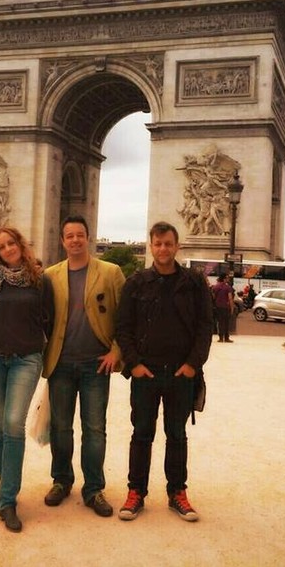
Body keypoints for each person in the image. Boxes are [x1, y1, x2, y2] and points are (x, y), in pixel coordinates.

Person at [115, 222, 213, 523]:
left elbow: (205, 326)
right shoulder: (135, 283)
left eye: (168, 243)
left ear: (177, 246)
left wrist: (193, 364)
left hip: (181, 372)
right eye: (158, 244)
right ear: (151, 246)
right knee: (141, 433)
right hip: (146, 372)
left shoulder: (195, 283)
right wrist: (134, 364)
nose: (163, 249)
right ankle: (136, 491)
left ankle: (177, 492)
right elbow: (123, 327)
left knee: (177, 435)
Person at [43, 214, 125, 518]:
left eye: (80, 235)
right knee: (60, 428)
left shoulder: (111, 272)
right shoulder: (49, 276)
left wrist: (116, 350)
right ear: (62, 241)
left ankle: (93, 488)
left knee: (95, 429)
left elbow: (125, 317)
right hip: (61, 363)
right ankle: (61, 480)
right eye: (70, 236)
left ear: (88, 237)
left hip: (96, 364)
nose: (75, 240)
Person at [0, 226, 54, 533]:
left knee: (12, 423)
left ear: (21, 245)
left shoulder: (41, 280)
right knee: (0, 424)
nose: (8, 248)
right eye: (2, 246)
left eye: (11, 243)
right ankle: (4, 486)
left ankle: (8, 499)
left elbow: (50, 320)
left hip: (26, 359)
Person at [210, 274, 234, 343]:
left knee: (220, 322)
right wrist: (232, 307)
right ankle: (226, 338)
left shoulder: (215, 287)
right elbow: (230, 298)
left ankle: (220, 338)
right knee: (226, 322)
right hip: (226, 307)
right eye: (227, 278)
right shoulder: (228, 287)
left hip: (218, 307)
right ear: (224, 279)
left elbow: (213, 297)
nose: (228, 279)